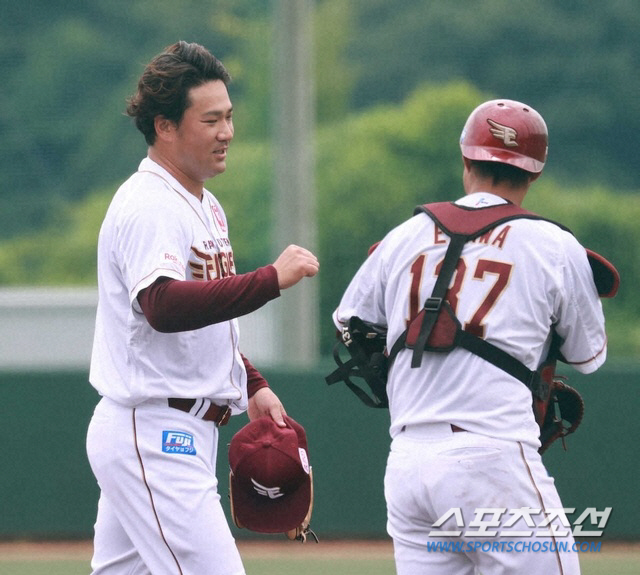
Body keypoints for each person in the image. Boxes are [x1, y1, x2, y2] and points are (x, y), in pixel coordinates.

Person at [332, 99, 608, 575]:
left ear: (465, 159)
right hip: (493, 458)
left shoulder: (403, 235)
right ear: (535, 173)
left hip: (409, 466)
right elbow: (588, 357)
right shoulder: (554, 244)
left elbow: (349, 323)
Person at [86, 41, 319, 575]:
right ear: (165, 126)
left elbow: (204, 322)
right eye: (211, 119)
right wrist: (268, 281)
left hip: (172, 426)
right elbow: (163, 305)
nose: (226, 132)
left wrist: (252, 381)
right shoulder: (150, 202)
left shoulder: (203, 204)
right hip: (155, 430)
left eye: (230, 117)